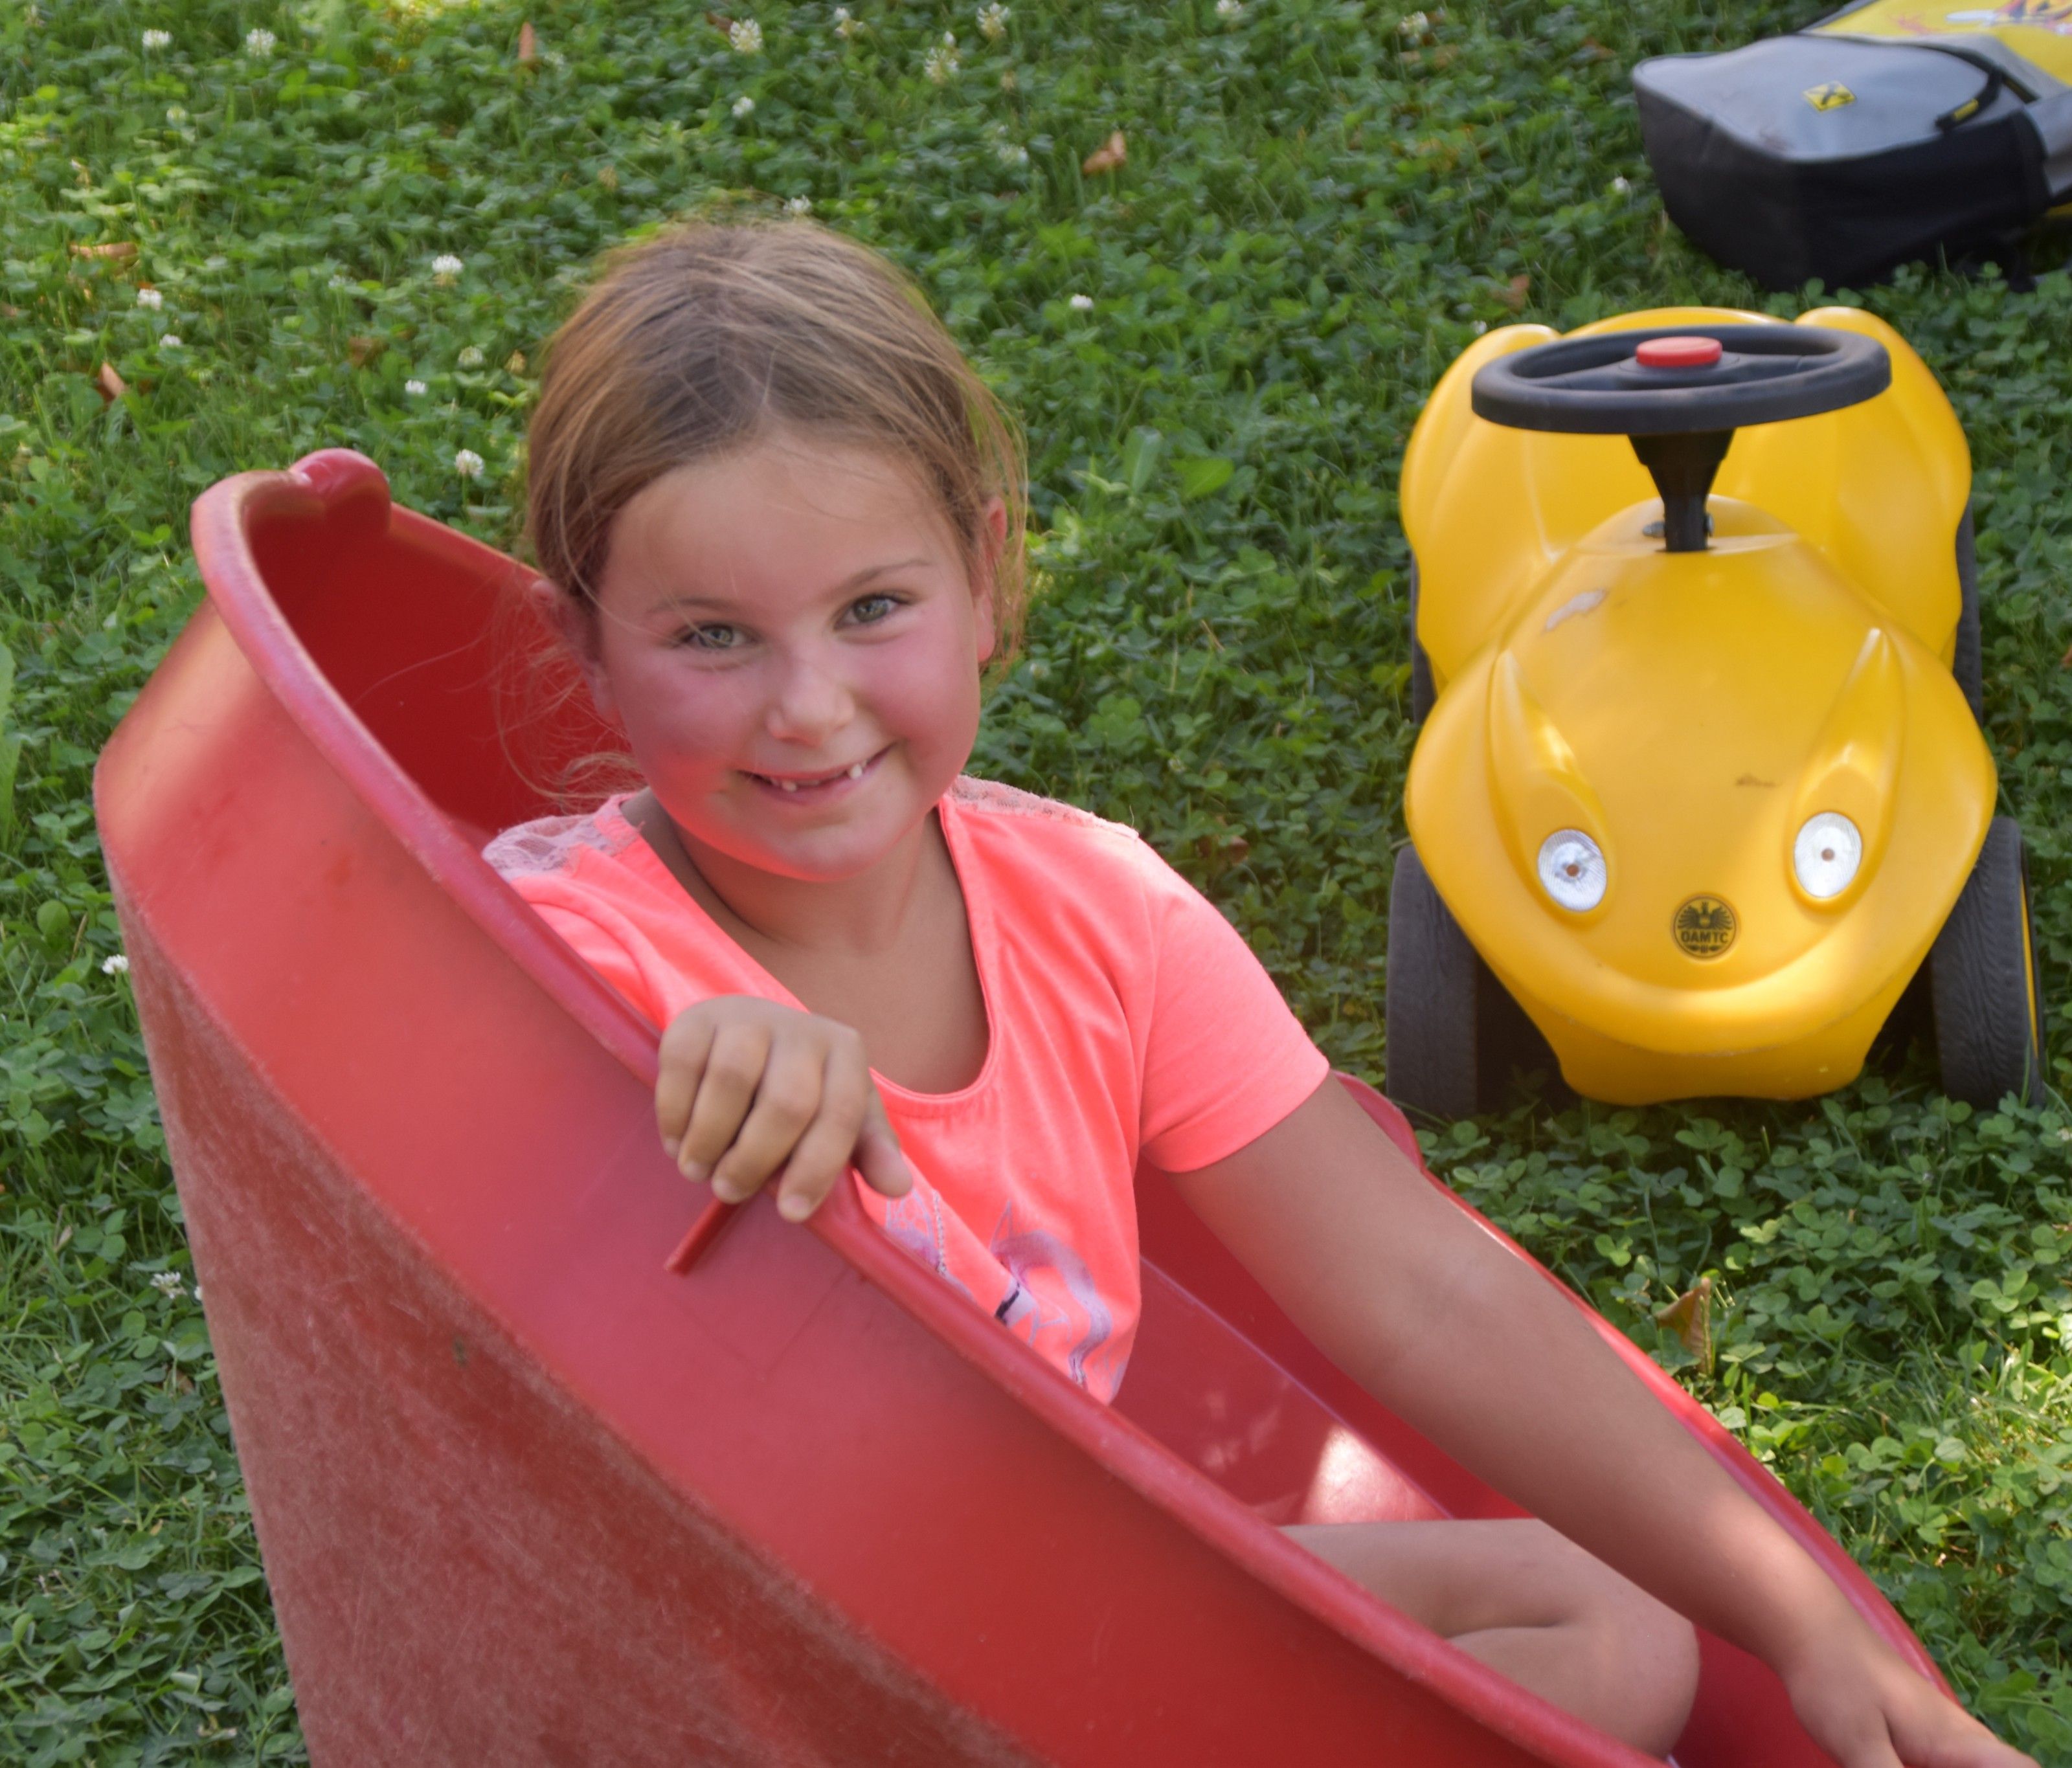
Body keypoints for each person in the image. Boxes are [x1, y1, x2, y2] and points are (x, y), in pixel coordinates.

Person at [484, 216, 2030, 1768]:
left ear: (986, 572)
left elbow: (1425, 1290)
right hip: (762, 1663)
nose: (808, 703)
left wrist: (1802, 1617)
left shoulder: (1097, 911)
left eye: (872, 609)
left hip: (1079, 1627)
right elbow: (491, 1300)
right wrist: (666, 1072)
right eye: (710, 637)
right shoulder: (561, 957)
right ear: (589, 649)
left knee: (1611, 1628)